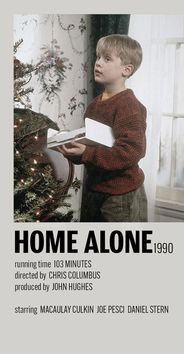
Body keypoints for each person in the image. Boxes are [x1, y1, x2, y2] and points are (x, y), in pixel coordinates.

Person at [57, 34, 147, 222]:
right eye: (98, 57)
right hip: (94, 190)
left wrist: (87, 153)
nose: (98, 63)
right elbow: (94, 146)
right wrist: (74, 151)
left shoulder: (128, 106)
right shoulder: (94, 105)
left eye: (107, 59)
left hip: (120, 195)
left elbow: (131, 152)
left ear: (126, 69)